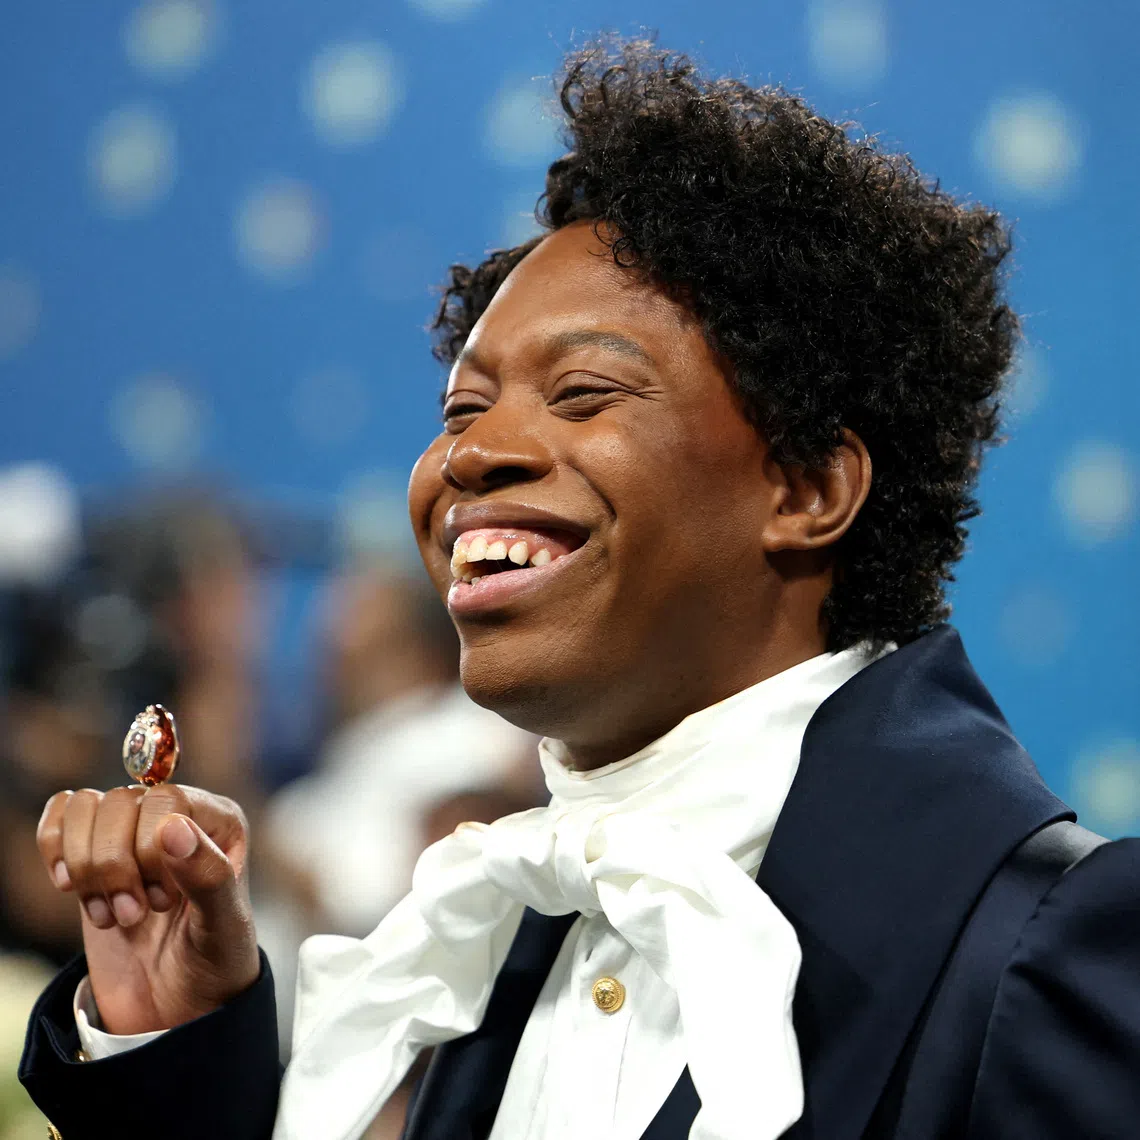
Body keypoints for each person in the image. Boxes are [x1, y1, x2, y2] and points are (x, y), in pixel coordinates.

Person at [19, 38, 1140, 1140]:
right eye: (460, 412)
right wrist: (176, 1049)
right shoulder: (489, 946)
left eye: (585, 393)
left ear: (806, 489)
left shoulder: (1048, 942)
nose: (468, 456)